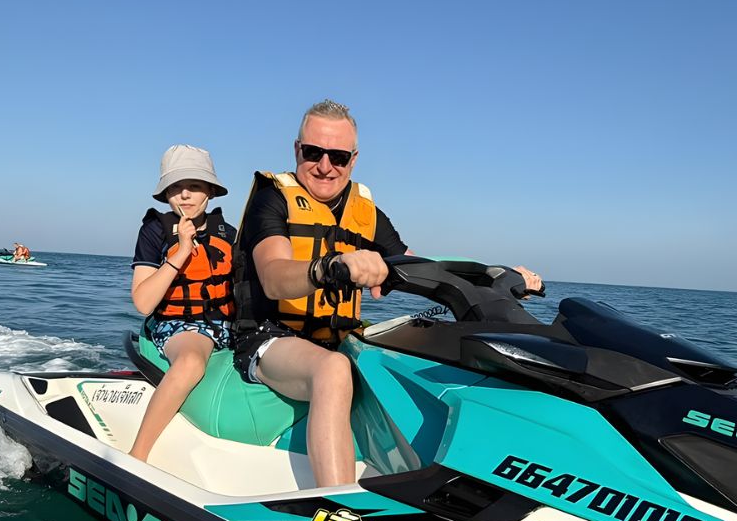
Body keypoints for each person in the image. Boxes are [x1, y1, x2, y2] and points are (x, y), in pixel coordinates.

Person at [232, 99, 543, 488]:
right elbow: (275, 277)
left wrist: (498, 283)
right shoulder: (273, 199)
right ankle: (335, 507)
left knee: (427, 357)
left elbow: (417, 267)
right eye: (314, 152)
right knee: (333, 370)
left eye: (339, 157)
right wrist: (331, 266)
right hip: (270, 337)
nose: (325, 166)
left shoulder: (366, 212)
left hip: (340, 336)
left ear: (354, 159)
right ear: (297, 150)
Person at [129, 144, 235, 462]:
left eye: (195, 186)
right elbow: (144, 303)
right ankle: (137, 455)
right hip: (177, 325)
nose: (185, 195)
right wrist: (181, 252)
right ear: (166, 194)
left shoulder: (230, 235)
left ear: (210, 193)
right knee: (190, 361)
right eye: (176, 187)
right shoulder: (154, 232)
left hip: (226, 323)